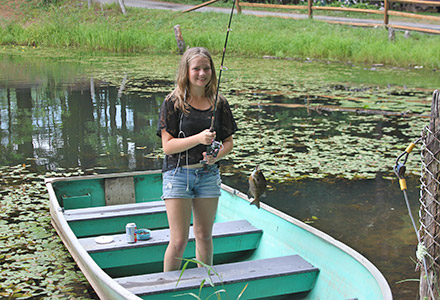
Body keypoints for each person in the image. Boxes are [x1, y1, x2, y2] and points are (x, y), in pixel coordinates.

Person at [157, 47, 238, 272]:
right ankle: (169, 290)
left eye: (206, 68)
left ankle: (205, 283)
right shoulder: (172, 102)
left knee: (204, 235)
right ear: (186, 71)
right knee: (179, 241)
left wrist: (216, 155)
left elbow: (229, 143)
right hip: (178, 174)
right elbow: (168, 146)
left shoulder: (219, 103)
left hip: (208, 175)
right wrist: (198, 138)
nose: (202, 73)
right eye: (196, 69)